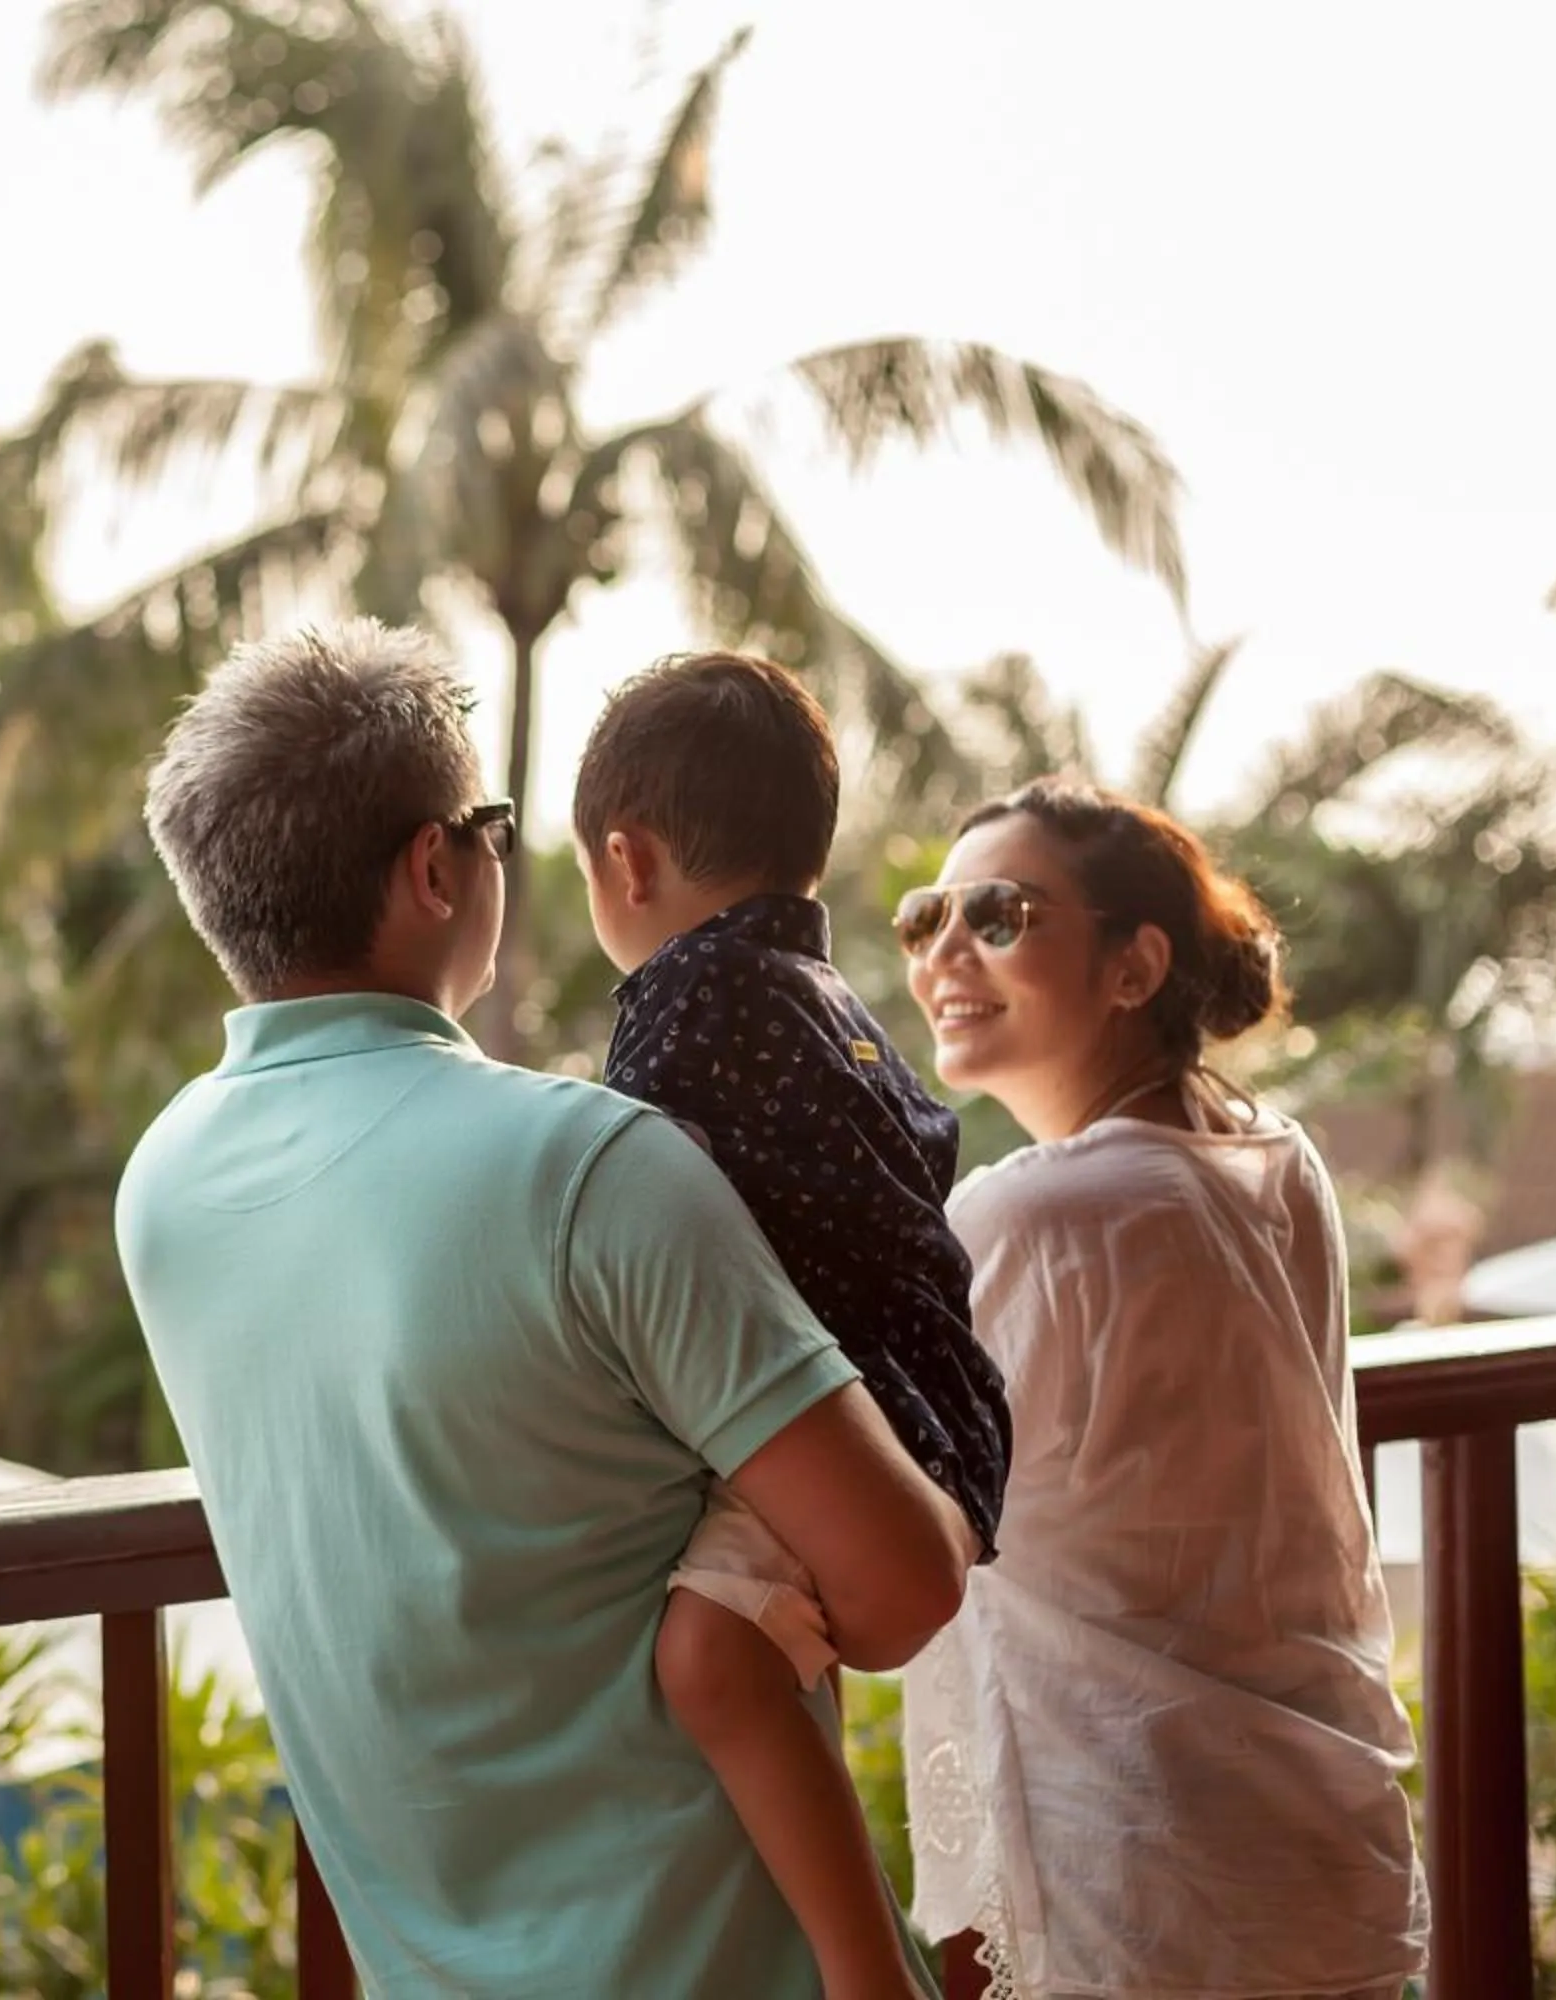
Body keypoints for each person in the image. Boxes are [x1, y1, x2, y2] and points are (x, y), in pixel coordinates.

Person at [115, 618, 972, 1996]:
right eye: (497, 826)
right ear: (434, 864)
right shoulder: (591, 1167)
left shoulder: (162, 1185)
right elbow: (899, 1590)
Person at [895, 778, 1426, 2000]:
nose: (944, 955)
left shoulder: (1031, 1211)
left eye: (1000, 915)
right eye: (929, 918)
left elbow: (889, 1488)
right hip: (1318, 1850)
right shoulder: (1272, 1158)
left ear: (1133, 968)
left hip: (1135, 1876)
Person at [571, 654, 1010, 2000]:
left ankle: (858, 1972)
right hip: (940, 1408)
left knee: (709, 1659)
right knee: (750, 1652)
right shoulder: (825, 1004)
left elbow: (639, 1203)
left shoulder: (684, 1009)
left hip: (871, 1406)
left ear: (626, 861)